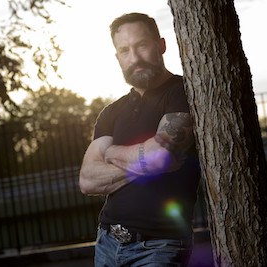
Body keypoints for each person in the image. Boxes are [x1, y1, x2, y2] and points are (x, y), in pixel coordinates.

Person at [79, 12, 200, 267]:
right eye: (124, 51)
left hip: (159, 246)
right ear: (117, 57)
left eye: (142, 46)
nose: (134, 58)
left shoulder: (183, 92)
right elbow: (87, 180)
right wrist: (147, 161)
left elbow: (160, 157)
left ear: (161, 45)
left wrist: (111, 153)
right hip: (107, 243)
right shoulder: (111, 112)